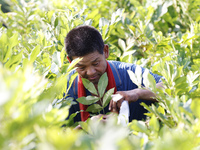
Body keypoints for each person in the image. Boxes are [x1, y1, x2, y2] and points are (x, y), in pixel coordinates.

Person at [64, 25, 163, 124]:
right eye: (81, 67)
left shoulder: (128, 72)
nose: (91, 72)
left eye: (95, 64)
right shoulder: (65, 89)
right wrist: (86, 128)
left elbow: (170, 88)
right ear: (70, 62)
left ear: (105, 51)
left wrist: (137, 93)